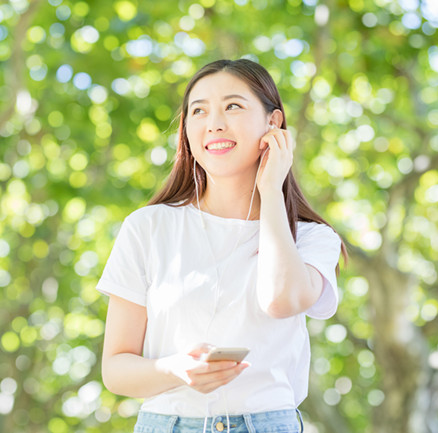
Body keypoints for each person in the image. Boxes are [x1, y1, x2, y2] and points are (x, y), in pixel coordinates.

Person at [96, 58, 347, 433]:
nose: (214, 123)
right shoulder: (148, 227)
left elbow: (281, 299)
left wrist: (271, 193)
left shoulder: (311, 238)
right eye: (199, 110)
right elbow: (115, 369)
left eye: (233, 106)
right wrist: (177, 369)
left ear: (273, 123)